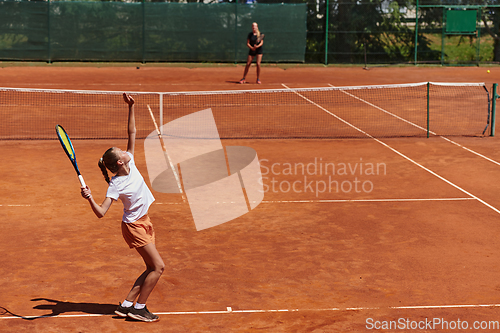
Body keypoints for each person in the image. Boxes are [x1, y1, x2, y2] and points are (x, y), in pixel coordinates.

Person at [81, 93, 164, 323]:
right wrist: (89, 198)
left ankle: (127, 304)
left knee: (150, 267)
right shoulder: (116, 184)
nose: (125, 151)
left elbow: (132, 132)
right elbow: (101, 213)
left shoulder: (131, 161)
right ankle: (139, 308)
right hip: (134, 226)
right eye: (121, 152)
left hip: (143, 221)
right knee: (158, 267)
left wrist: (131, 107)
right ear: (120, 162)